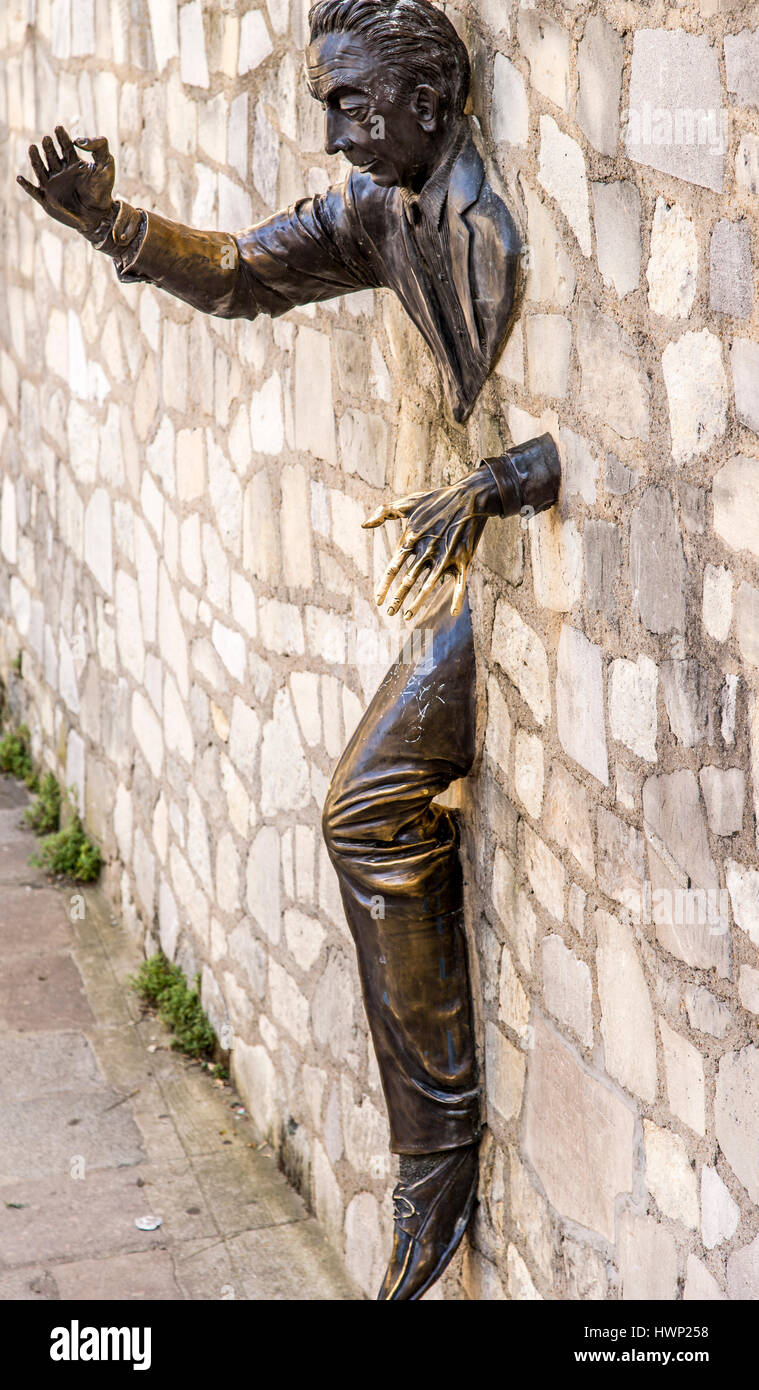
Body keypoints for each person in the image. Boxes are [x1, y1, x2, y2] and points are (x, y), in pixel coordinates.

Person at [18, 0, 559, 1299]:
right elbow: (249, 273)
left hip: (509, 589)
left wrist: (498, 483)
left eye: (350, 106)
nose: (333, 136)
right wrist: (112, 222)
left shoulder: (494, 225)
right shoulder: (385, 213)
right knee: (367, 816)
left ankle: (435, 1179)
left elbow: (619, 452)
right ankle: (433, 1177)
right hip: (469, 574)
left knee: (367, 812)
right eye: (327, 107)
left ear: (431, 98)